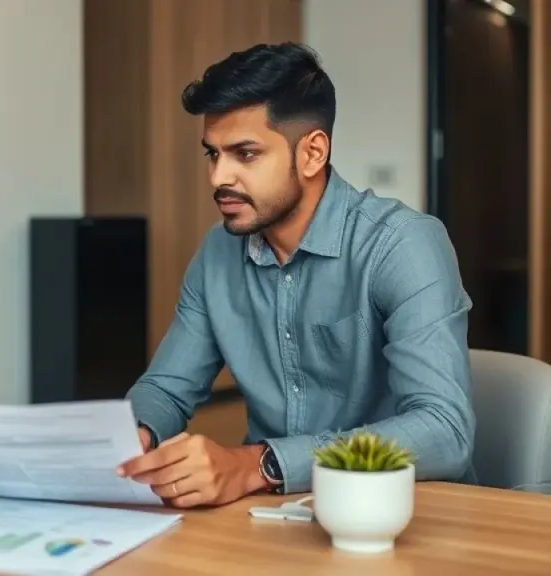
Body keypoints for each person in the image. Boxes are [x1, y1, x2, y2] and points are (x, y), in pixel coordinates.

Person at [116, 42, 475, 507]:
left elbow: (444, 430)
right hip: (274, 515)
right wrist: (135, 434)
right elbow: (166, 387)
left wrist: (259, 464)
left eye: (245, 154)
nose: (218, 177)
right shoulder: (218, 254)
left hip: (403, 513)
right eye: (212, 154)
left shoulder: (403, 245)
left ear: (312, 153)